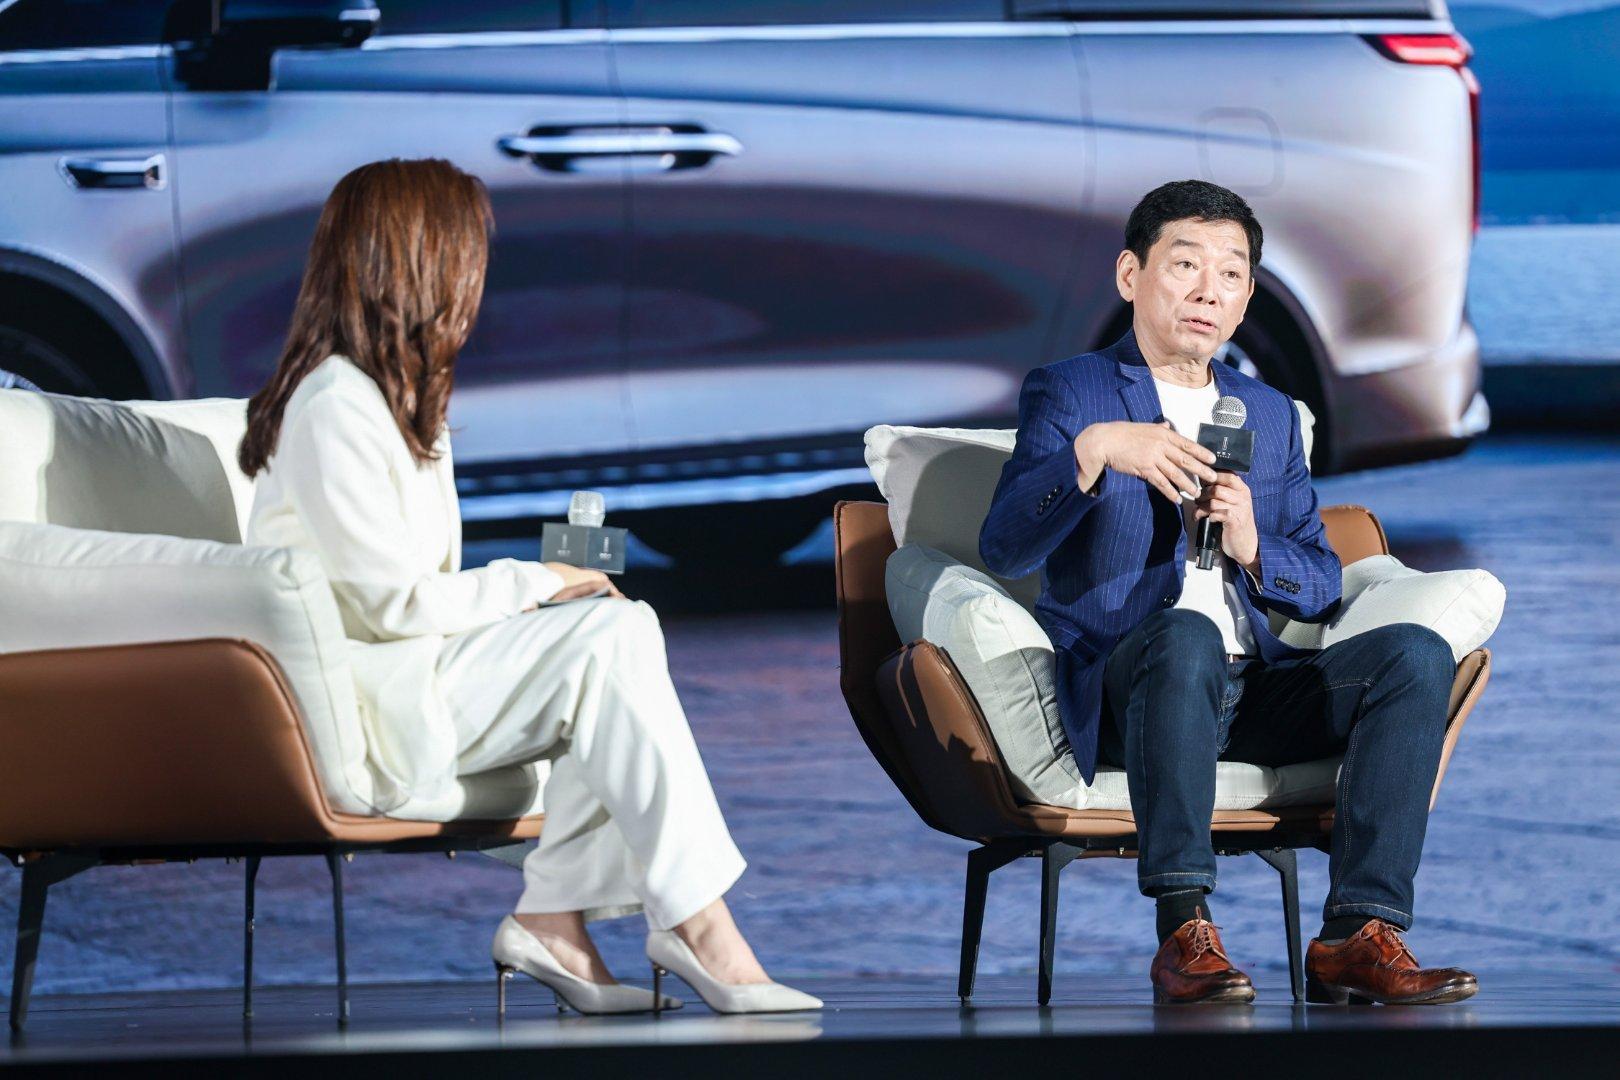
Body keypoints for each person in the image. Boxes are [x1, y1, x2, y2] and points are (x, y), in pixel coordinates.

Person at [239, 158, 819, 1016]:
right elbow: (390, 604)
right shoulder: (333, 405)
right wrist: (535, 582)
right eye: (467, 254)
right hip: (368, 704)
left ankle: (556, 921)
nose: (477, 278)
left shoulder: (393, 398)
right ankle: (696, 925)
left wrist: (549, 598)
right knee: (608, 640)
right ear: (419, 262)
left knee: (615, 632)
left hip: (410, 672)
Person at [979, 179, 1476, 1006]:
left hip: (1250, 689)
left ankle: (1358, 934)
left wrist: (1252, 546)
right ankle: (1185, 930)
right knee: (1187, 634)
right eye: (1186, 265)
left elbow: (1320, 582)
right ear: (1131, 275)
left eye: (1232, 274)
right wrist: (1094, 453)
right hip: (1134, 685)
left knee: (1415, 655)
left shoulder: (1270, 415)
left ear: (1246, 299)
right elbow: (1004, 546)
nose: (1209, 290)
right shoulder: (1074, 392)